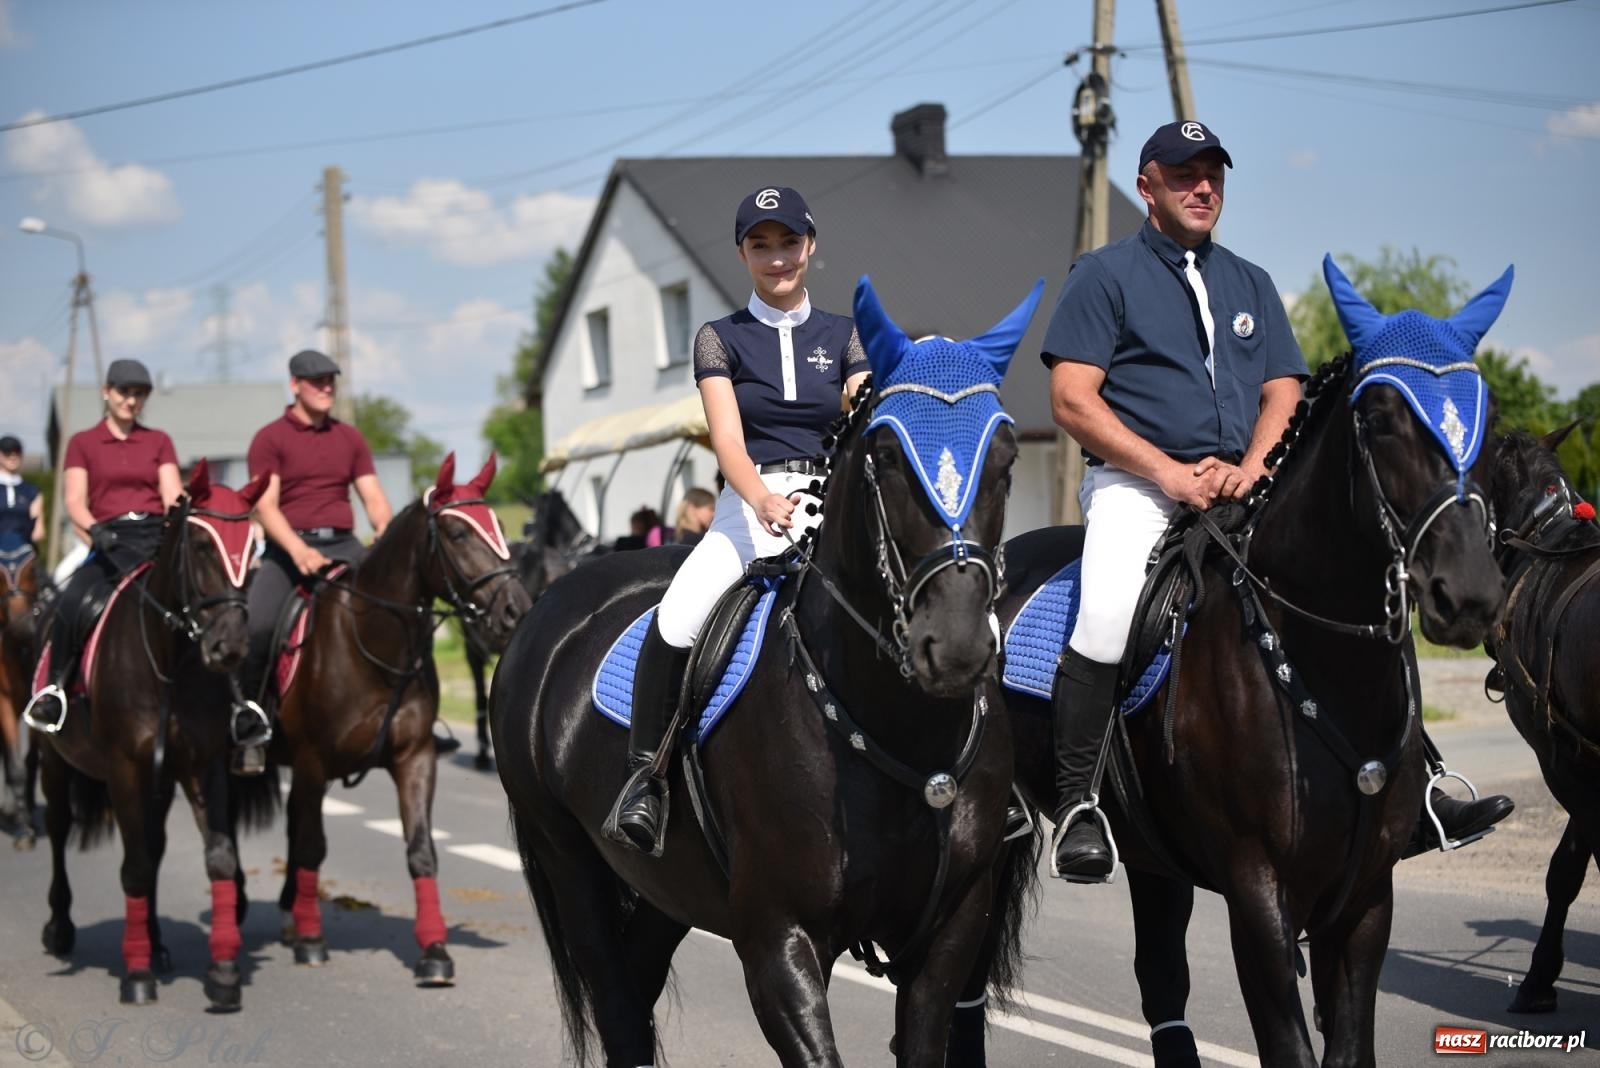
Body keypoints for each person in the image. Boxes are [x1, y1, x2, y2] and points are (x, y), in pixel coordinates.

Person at [1040, 120, 1512, 883]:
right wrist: (1168, 473)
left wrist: (1255, 468)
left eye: (1214, 175)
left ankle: (1420, 782)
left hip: (1241, 484)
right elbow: (1070, 399)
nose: (1203, 188)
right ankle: (1079, 805)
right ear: (1146, 184)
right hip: (1140, 488)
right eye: (1184, 174)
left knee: (1349, 588)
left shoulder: (1252, 281)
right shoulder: (1103, 274)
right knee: (1106, 610)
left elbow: (1283, 390)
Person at [608, 185, 870, 855]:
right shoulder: (720, 338)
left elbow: (862, 405)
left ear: (809, 245)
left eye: (788, 242)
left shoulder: (845, 334)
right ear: (742, 254)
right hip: (750, 505)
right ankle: (648, 778)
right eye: (761, 245)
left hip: (831, 503)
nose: (776, 257)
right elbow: (727, 438)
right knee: (678, 617)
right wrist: (758, 499)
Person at [27, 360, 182, 729]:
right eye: (124, 392)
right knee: (71, 600)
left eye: (140, 394)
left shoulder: (158, 441)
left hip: (155, 539)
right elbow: (74, 500)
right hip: (108, 541)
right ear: (106, 392)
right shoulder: (83, 443)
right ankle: (55, 690)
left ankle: (230, 697)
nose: (131, 400)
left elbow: (172, 494)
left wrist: (179, 523)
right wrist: (95, 530)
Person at [239, 349, 392, 710]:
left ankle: (411, 715)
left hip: (345, 546)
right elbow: (265, 506)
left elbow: (373, 496)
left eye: (331, 381)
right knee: (257, 627)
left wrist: (384, 528)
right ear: (294, 385)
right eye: (317, 381)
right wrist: (298, 551)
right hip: (288, 552)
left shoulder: (350, 438)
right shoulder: (270, 439)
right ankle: (252, 721)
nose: (326, 388)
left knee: (397, 612)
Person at [0, 435, 44, 554]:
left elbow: (38, 531)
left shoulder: (31, 491)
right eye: (8, 452)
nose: (13, 456)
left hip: (23, 550)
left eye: (17, 452)